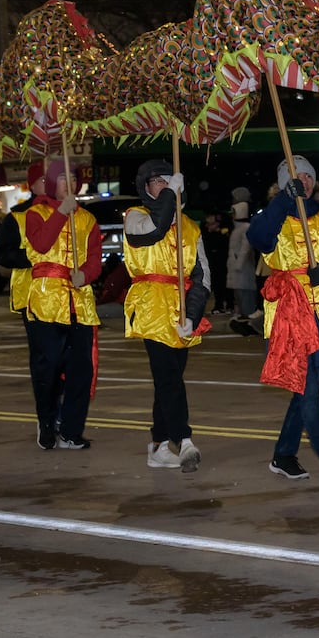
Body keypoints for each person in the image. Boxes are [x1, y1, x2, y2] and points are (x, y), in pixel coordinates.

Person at [249, 155, 319, 484]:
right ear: (283, 183)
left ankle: (283, 455)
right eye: (295, 178)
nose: (304, 182)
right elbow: (258, 238)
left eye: (308, 177)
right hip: (288, 313)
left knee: (303, 389)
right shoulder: (273, 216)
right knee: (308, 389)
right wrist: (283, 202)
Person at [122, 159, 211, 473]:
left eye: (167, 180)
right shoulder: (136, 216)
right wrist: (167, 200)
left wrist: (194, 313)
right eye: (156, 181)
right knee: (168, 377)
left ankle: (159, 445)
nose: (162, 184)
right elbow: (152, 233)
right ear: (146, 188)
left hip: (181, 309)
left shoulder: (191, 227)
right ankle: (184, 440)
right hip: (150, 307)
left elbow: (202, 276)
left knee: (169, 379)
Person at [20, 159, 103, 450]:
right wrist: (60, 213)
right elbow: (41, 245)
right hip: (46, 300)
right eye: (62, 176)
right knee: (49, 369)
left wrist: (87, 273)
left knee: (81, 371)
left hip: (79, 302)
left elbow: (95, 256)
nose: (68, 181)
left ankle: (71, 430)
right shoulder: (35, 213)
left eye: (72, 176)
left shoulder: (88, 219)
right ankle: (46, 422)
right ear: (52, 181)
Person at [0, 162, 46, 322]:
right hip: (31, 293)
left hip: (66, 292)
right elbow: (4, 255)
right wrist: (36, 257)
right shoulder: (17, 217)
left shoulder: (72, 214)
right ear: (32, 185)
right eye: (44, 180)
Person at [226, 194, 259, 336]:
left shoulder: (245, 228)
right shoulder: (237, 229)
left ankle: (250, 323)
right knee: (240, 297)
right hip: (236, 270)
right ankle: (244, 321)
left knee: (247, 298)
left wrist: (238, 264)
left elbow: (245, 249)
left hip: (244, 270)